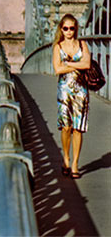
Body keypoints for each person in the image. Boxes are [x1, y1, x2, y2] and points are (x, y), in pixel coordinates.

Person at [52, 14, 90, 179]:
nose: (69, 31)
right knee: (66, 127)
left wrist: (67, 64)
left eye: (72, 28)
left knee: (78, 128)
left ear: (76, 29)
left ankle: (74, 163)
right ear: (61, 29)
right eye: (65, 28)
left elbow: (87, 64)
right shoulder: (57, 47)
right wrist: (76, 66)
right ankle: (65, 157)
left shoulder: (83, 44)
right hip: (64, 92)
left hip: (81, 91)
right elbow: (57, 70)